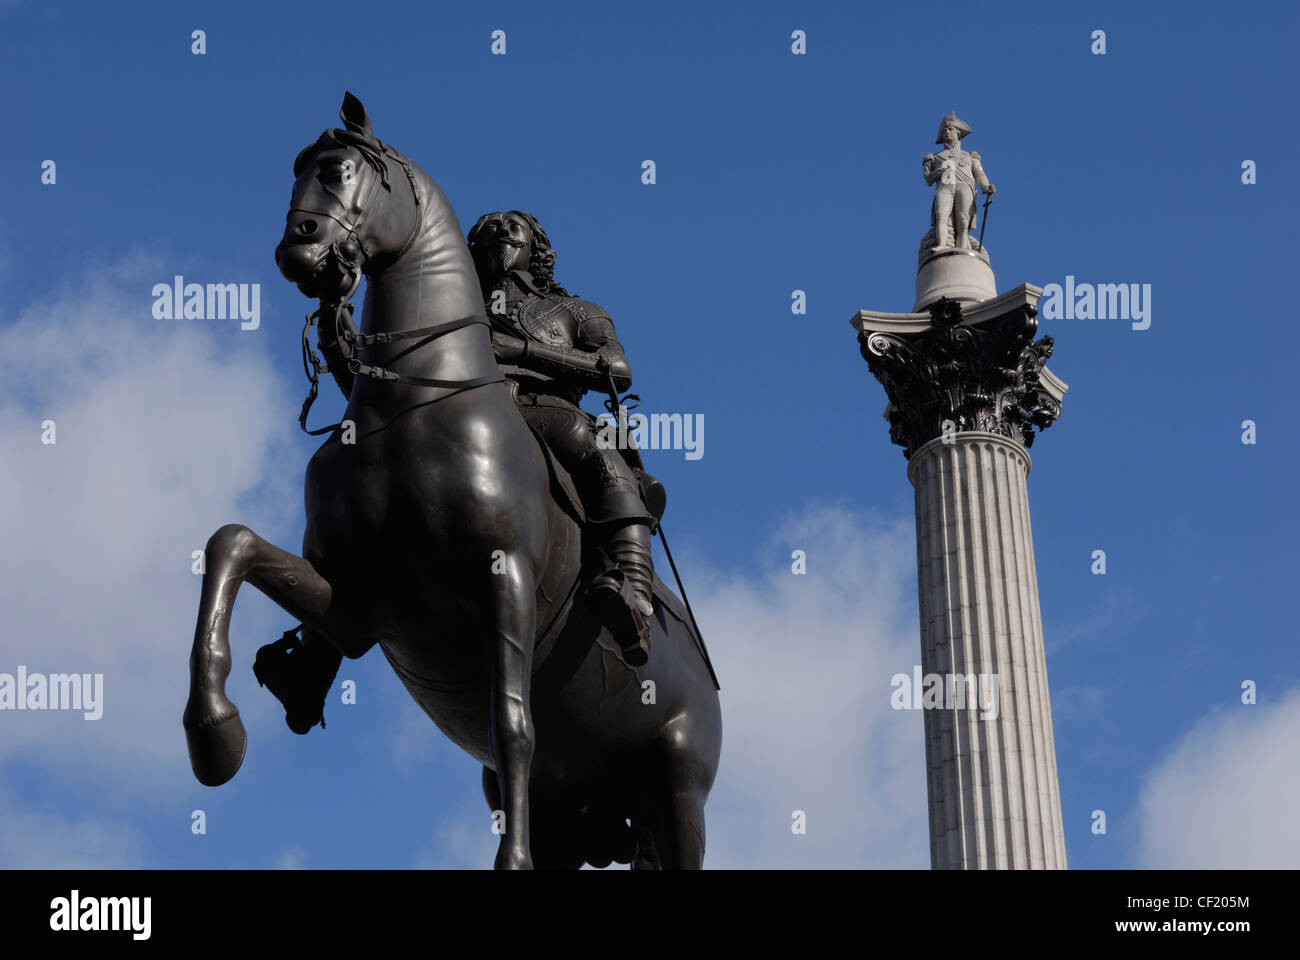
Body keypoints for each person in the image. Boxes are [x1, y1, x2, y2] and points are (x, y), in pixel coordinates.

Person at [467, 210, 656, 667]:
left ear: (538, 247)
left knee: (596, 450)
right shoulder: (452, 306)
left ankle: (634, 594)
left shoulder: (578, 310)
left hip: (548, 412)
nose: (499, 230)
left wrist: (523, 351)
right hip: (468, 411)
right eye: (487, 226)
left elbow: (616, 369)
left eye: (513, 225)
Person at [923, 111, 996, 251]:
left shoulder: (970, 156)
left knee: (963, 220)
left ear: (958, 133)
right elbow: (928, 179)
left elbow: (979, 174)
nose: (946, 131)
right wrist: (940, 171)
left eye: (950, 129)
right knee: (942, 216)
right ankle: (942, 245)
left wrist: (985, 186)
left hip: (965, 186)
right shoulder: (934, 157)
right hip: (945, 186)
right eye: (944, 130)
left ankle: (962, 249)